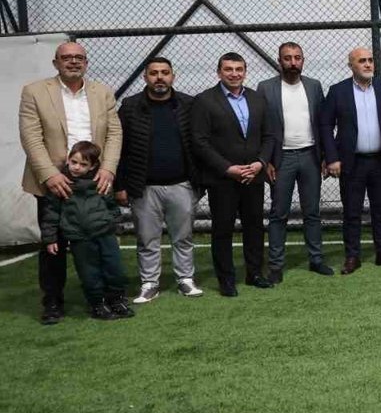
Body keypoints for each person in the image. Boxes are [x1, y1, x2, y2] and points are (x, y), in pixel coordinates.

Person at [20, 41, 123, 324]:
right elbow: (31, 137)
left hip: (94, 184)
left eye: (79, 57)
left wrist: (108, 169)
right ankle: (53, 302)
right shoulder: (34, 92)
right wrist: (50, 175)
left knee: (98, 244)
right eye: (66, 57)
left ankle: (105, 297)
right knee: (53, 245)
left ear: (86, 63)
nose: (73, 61)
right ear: (56, 63)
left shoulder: (102, 92)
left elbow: (114, 134)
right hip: (53, 183)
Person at [115, 57, 203, 303]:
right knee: (147, 239)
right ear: (145, 77)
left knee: (183, 237)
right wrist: (120, 185)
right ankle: (149, 283)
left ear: (173, 76)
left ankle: (185, 279)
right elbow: (119, 148)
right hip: (144, 187)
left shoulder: (188, 104)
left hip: (182, 184)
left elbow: (198, 143)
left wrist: (199, 182)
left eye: (165, 72)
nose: (160, 77)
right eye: (154, 73)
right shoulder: (130, 107)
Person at [191, 52, 276, 296]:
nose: (234, 74)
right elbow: (199, 141)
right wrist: (227, 168)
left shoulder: (257, 99)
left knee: (254, 226)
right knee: (223, 229)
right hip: (223, 179)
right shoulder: (205, 101)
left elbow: (269, 136)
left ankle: (254, 273)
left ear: (245, 72)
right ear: (219, 72)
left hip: (253, 176)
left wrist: (260, 163)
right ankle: (226, 280)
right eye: (228, 69)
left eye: (239, 69)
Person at [319, 47, 381, 275]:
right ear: (351, 65)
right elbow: (326, 125)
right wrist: (332, 158)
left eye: (370, 60)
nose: (368, 64)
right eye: (362, 61)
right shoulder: (338, 91)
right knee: (352, 211)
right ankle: (352, 256)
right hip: (352, 162)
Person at [259, 42, 328, 281]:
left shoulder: (314, 86)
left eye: (297, 58)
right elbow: (261, 127)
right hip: (281, 159)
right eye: (287, 58)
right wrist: (266, 161)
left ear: (303, 60)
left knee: (312, 212)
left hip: (310, 156)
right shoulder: (266, 88)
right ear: (279, 61)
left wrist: (324, 156)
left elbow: (322, 123)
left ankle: (316, 259)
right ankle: (276, 265)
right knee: (279, 213)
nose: (293, 62)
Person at [40, 141, 132, 321]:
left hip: (105, 235)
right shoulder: (61, 185)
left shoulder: (101, 182)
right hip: (80, 239)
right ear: (68, 160)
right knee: (89, 273)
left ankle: (117, 300)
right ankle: (97, 304)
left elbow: (112, 206)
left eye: (83, 164)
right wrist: (50, 239)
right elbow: (51, 214)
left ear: (93, 165)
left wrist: (115, 227)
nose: (77, 167)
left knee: (114, 269)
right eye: (74, 162)